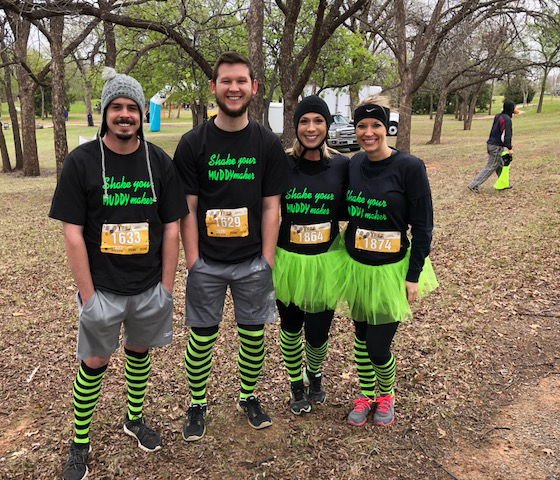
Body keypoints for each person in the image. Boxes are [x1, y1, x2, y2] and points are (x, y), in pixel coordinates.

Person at [50, 67, 188, 480]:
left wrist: (166, 286)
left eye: (132, 107)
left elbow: (172, 227)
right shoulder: (82, 162)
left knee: (140, 354)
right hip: (103, 288)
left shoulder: (159, 162)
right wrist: (89, 297)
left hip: (148, 286)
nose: (124, 114)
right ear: (106, 111)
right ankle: (79, 443)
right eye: (117, 107)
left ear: (141, 113)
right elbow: (73, 235)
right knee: (94, 361)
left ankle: (133, 418)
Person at [173, 52, 289, 441]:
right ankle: (197, 402)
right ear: (214, 88)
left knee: (253, 336)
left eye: (241, 81)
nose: (234, 88)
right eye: (226, 81)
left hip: (252, 261)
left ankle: (248, 396)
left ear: (253, 88)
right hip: (207, 261)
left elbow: (273, 205)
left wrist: (267, 259)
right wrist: (193, 260)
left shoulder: (267, 143)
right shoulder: (192, 143)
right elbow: (187, 206)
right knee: (201, 338)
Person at [333, 95, 438, 427]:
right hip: (356, 266)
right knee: (361, 336)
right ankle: (366, 395)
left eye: (375, 125)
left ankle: (387, 394)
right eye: (361, 126)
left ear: (386, 128)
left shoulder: (409, 167)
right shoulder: (351, 164)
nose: (368, 133)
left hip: (391, 270)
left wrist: (413, 274)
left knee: (378, 346)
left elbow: (423, 226)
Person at [272, 95, 349, 415]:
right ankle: (295, 385)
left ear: (328, 126)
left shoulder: (343, 165)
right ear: (295, 126)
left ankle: (314, 375)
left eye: (318, 120)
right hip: (288, 260)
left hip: (326, 262)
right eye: (304, 121)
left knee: (318, 332)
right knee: (291, 326)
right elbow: (265, 207)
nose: (311, 127)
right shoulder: (282, 162)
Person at [468, 99, 518, 192]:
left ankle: (503, 184)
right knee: (491, 166)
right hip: (496, 147)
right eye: (514, 107)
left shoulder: (498, 116)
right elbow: (506, 135)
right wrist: (509, 148)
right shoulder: (507, 119)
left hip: (491, 144)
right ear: (511, 108)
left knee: (500, 165)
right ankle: (473, 185)